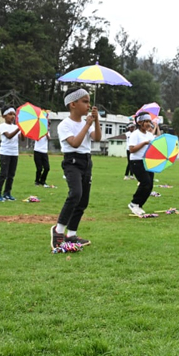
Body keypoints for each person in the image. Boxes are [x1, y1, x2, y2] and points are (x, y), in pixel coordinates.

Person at [50, 88, 101, 249]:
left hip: (86, 161)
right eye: (84, 101)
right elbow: (75, 143)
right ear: (73, 104)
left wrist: (96, 121)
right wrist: (87, 124)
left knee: (83, 200)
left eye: (89, 101)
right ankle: (58, 230)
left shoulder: (88, 122)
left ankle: (71, 234)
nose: (88, 105)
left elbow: (97, 138)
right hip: (72, 161)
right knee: (75, 194)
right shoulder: (65, 124)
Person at [128, 113, 160, 216]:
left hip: (148, 161)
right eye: (146, 121)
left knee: (150, 185)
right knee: (145, 182)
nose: (148, 124)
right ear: (140, 122)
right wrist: (144, 143)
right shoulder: (135, 134)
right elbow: (132, 149)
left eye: (149, 122)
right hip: (137, 161)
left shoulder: (149, 135)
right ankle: (134, 203)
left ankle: (139, 205)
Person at [0, 107, 23, 202]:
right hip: (5, 153)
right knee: (3, 174)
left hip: (14, 153)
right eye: (10, 114)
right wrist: (19, 128)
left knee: (11, 174)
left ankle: (7, 193)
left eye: (14, 114)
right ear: (4, 116)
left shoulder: (15, 127)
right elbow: (9, 136)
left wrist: (23, 130)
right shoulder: (2, 126)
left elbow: (22, 139)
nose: (12, 116)